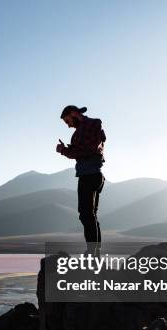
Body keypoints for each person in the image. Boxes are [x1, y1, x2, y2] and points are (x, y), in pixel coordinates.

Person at [56, 105, 106, 254]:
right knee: (90, 215)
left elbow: (86, 150)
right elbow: (81, 150)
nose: (68, 125)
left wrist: (64, 151)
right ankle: (95, 252)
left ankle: (93, 252)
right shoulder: (81, 131)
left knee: (86, 215)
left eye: (67, 121)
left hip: (89, 175)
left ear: (73, 114)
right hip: (92, 174)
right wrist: (67, 149)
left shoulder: (92, 125)